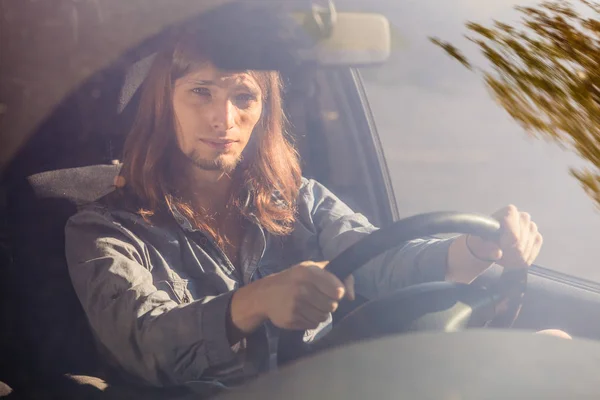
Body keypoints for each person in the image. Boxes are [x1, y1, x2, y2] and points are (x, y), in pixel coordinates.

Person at [64, 29, 561, 396]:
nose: (224, 119)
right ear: (162, 105)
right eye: (201, 92)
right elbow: (146, 343)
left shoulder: (298, 198)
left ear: (264, 111)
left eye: (244, 97)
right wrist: (254, 302)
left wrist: (475, 249)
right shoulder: (103, 229)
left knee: (547, 353)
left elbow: (379, 260)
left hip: (333, 382)